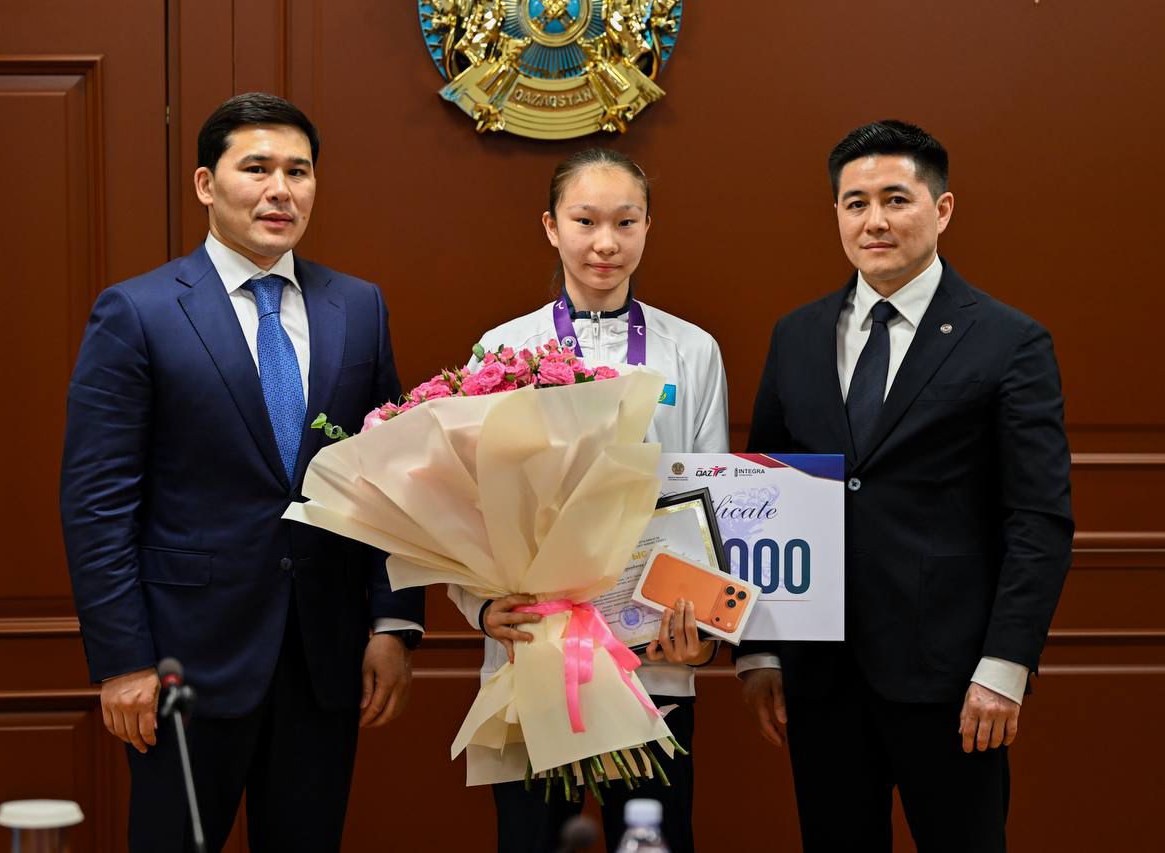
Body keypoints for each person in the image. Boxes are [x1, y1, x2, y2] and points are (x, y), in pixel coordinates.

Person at [60, 92, 425, 852]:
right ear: (206, 183)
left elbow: (392, 475)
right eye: (256, 168)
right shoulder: (138, 312)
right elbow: (98, 503)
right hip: (183, 662)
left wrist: (393, 621)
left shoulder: (358, 307)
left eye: (298, 171)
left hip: (324, 655)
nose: (279, 190)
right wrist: (123, 660)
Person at [738, 120, 1073, 852]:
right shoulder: (796, 335)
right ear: (835, 214)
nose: (875, 221)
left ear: (942, 209)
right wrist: (759, 651)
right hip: (821, 678)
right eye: (855, 203)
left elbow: (1038, 519)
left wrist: (1006, 665)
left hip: (954, 680)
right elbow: (765, 497)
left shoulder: (1010, 340)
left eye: (896, 199)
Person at [448, 147, 729, 853]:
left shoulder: (692, 351)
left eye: (625, 222)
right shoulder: (501, 350)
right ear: (551, 226)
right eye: (585, 220)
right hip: (532, 655)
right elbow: (465, 506)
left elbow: (715, 505)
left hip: (654, 657)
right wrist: (479, 607)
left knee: (654, 840)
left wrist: (704, 633)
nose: (606, 242)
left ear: (647, 227)